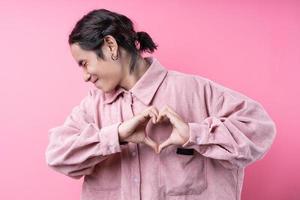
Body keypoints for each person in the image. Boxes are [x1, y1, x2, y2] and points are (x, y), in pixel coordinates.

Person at [45, 8, 276, 200]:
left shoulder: (194, 91)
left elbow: (261, 128)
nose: (85, 76)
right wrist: (115, 136)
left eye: (84, 63)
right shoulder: (91, 107)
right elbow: (57, 155)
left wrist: (195, 134)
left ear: (110, 46)